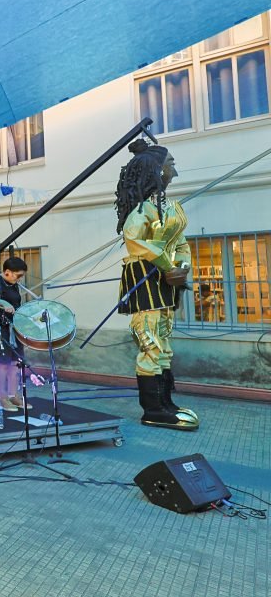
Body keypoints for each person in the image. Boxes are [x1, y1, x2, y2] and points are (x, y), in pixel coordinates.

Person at [115, 139, 199, 430]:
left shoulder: (172, 208)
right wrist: (167, 266)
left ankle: (165, 403)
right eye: (170, 163)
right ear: (156, 170)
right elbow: (136, 243)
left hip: (166, 284)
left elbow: (181, 243)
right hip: (145, 281)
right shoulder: (140, 212)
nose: (174, 169)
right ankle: (152, 409)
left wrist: (183, 267)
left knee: (163, 341)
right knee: (149, 340)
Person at [0, 257, 31, 412]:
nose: (19, 279)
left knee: (16, 363)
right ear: (7, 272)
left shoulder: (13, 284)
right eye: (18, 275)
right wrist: (2, 303)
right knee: (2, 363)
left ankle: (13, 395)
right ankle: (1, 397)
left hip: (13, 327)